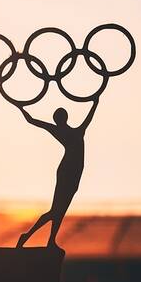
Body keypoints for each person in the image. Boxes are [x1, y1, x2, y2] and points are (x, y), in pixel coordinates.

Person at [16, 99, 99, 248]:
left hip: (73, 172)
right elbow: (32, 121)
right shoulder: (75, 131)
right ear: (64, 118)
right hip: (68, 172)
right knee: (56, 210)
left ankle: (50, 240)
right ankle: (28, 236)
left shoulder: (66, 130)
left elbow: (31, 120)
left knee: (60, 210)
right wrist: (95, 102)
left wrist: (20, 107)